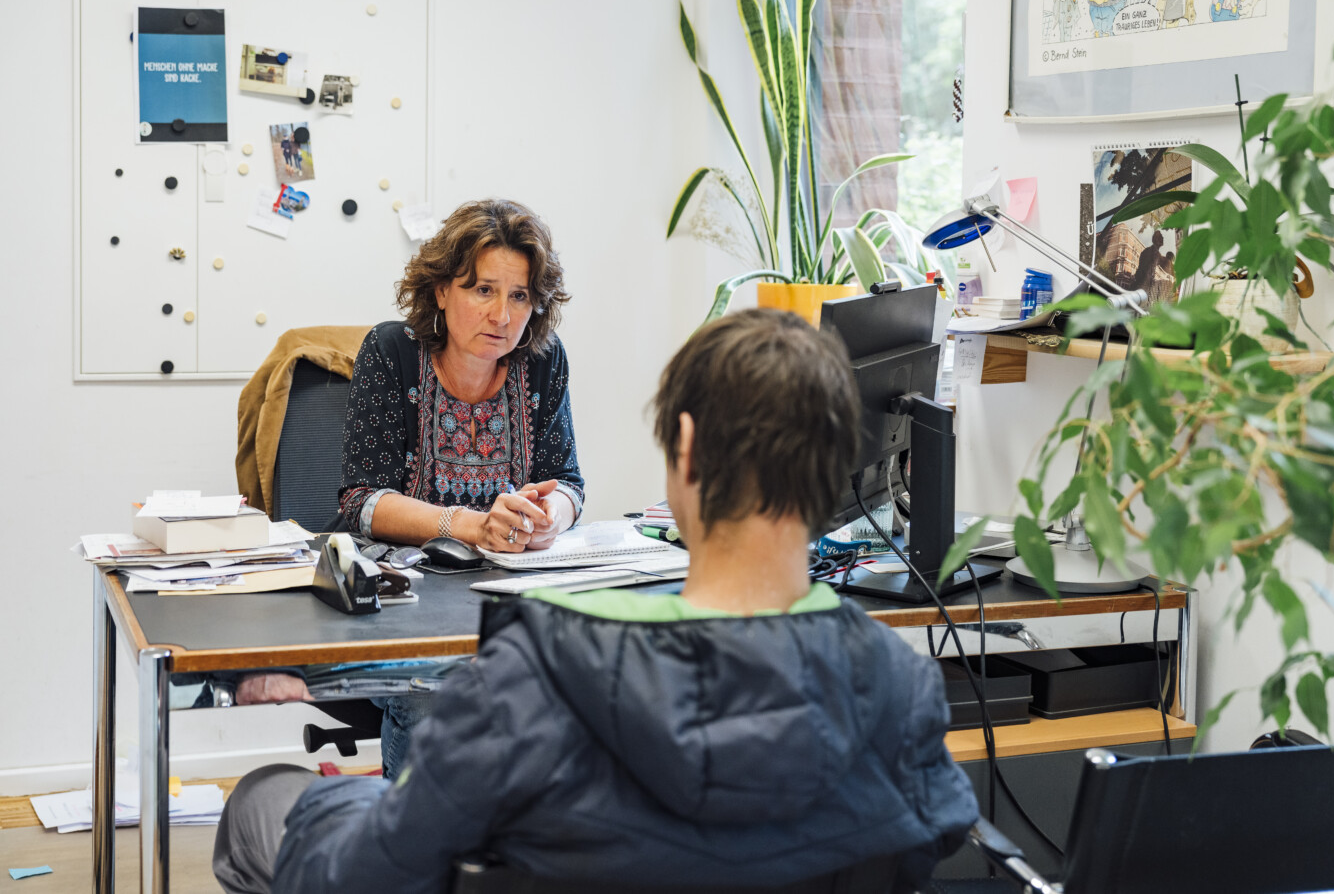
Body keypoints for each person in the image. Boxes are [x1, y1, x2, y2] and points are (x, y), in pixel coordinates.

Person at [213, 309, 978, 894]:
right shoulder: (897, 687)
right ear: (843, 462)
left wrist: (317, 809)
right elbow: (928, 839)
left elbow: (384, 866)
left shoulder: (532, 679)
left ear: (683, 451)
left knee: (262, 800)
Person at [238, 199, 586, 775]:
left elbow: (568, 482)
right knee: (439, 695)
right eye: (482, 289)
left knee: (578, 684)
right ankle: (417, 849)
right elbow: (361, 503)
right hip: (408, 593)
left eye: (520, 295)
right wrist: (468, 524)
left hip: (508, 590)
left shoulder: (543, 362)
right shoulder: (392, 352)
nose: (502, 314)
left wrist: (552, 515)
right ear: (443, 290)